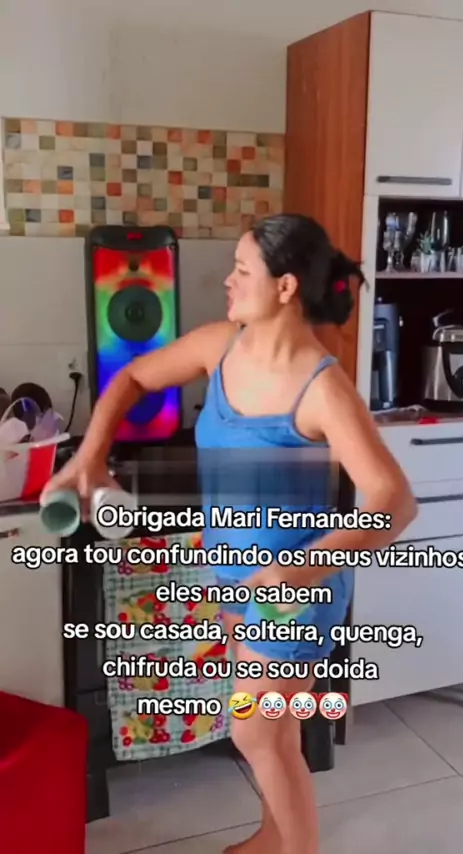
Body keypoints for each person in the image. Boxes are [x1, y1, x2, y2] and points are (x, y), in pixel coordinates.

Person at [43, 214, 416, 854]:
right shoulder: (222, 347)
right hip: (240, 579)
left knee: (257, 732)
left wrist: (296, 572)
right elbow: (132, 377)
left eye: (243, 270)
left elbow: (394, 502)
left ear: (285, 287)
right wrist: (90, 457)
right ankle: (274, 837)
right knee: (275, 726)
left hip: (294, 595)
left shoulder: (322, 387)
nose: (228, 280)